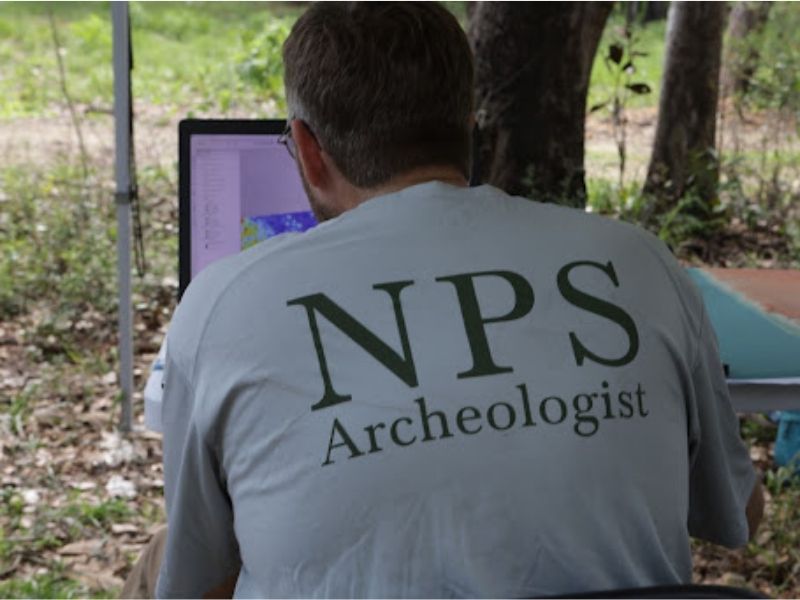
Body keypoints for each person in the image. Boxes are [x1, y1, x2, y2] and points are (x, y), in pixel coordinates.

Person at [148, 2, 763, 597]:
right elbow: (741, 514)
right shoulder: (639, 263)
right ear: (468, 129)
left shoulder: (222, 306)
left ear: (308, 151)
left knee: (165, 562)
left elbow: (197, 581)